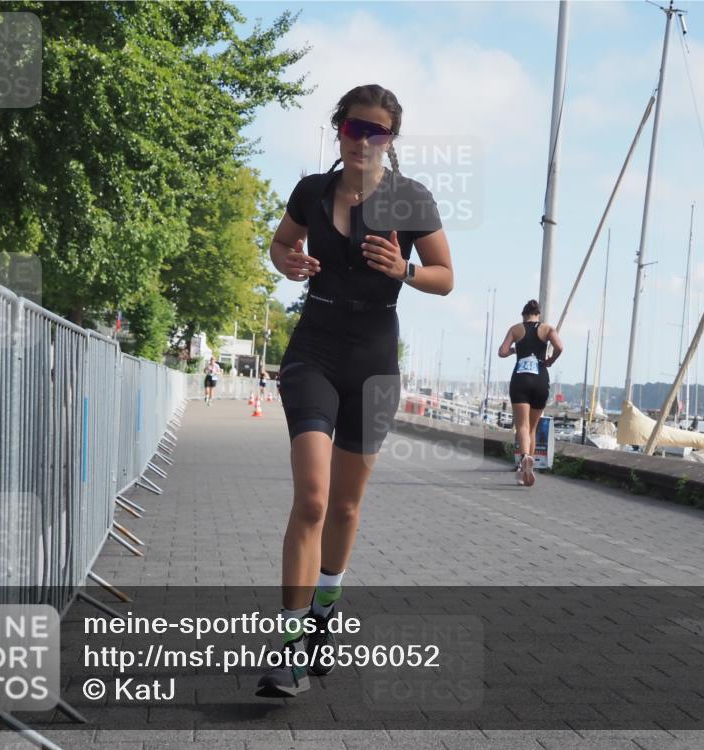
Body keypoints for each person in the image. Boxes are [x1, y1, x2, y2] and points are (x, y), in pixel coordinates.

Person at [258, 84, 453, 698]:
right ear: (338, 128)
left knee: (344, 506)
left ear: (392, 139)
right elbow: (279, 244)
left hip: (373, 360)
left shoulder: (410, 199)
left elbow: (446, 277)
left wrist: (406, 271)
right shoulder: (312, 190)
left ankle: (326, 606)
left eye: (379, 132)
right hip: (313, 346)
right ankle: (286, 646)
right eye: (354, 128)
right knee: (312, 499)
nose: (365, 140)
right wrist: (286, 262)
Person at [498, 300, 563, 487]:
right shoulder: (548, 329)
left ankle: (524, 460)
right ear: (538, 315)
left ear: (523, 315)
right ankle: (528, 468)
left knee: (522, 427)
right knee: (532, 428)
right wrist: (551, 360)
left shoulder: (516, 329)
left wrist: (513, 350)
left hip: (520, 379)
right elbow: (560, 347)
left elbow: (501, 352)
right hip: (540, 379)